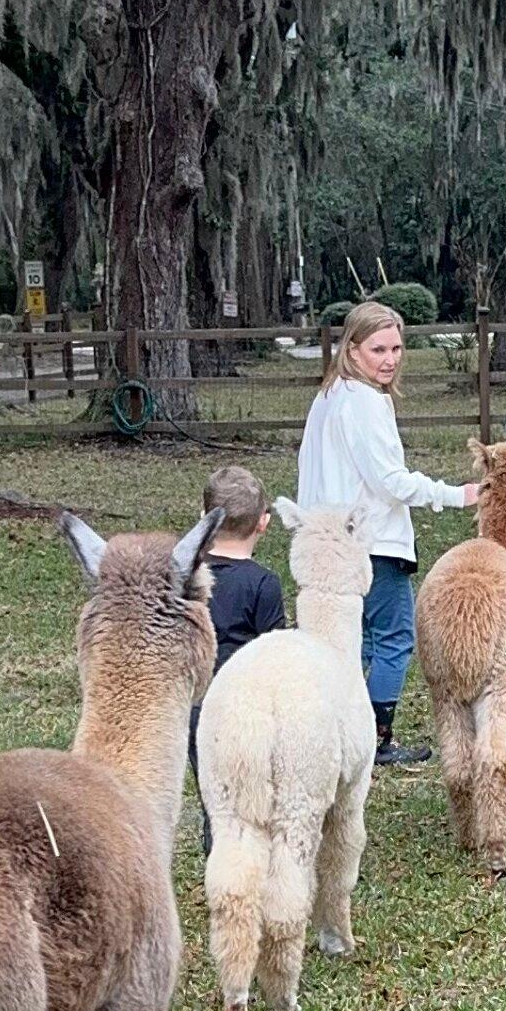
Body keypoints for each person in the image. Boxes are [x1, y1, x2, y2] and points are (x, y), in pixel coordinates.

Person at [295, 298, 479, 765]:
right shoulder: (366, 404)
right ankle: (374, 738)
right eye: (378, 349)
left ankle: (335, 729)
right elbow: (390, 480)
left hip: (329, 539)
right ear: (352, 349)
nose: (390, 359)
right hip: (370, 541)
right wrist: (456, 494)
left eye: (396, 348)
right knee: (395, 637)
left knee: (350, 640)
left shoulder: (329, 397)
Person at [173, 466, 286, 846]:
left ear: (202, 520)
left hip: (197, 708)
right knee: (258, 797)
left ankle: (220, 868)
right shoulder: (263, 584)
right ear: (263, 523)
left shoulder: (185, 582)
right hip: (251, 711)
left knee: (215, 803)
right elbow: (274, 655)